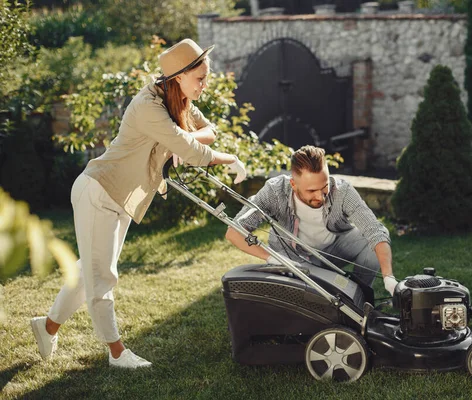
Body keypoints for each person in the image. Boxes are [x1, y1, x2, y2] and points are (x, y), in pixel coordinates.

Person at [31, 39, 247, 369]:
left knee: (87, 272)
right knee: (102, 276)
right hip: (99, 191)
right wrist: (222, 156)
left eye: (207, 77)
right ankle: (116, 352)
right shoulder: (149, 106)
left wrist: (180, 137)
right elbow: (195, 152)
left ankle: (46, 327)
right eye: (201, 79)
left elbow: (209, 132)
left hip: (122, 197)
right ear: (179, 77)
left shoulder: (178, 102)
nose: (206, 84)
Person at [225, 145, 398, 295]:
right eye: (312, 191)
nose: (320, 197)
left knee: (372, 239)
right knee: (320, 297)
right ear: (293, 184)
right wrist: (271, 258)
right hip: (297, 260)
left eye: (324, 187)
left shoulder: (343, 191)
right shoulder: (274, 192)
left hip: (336, 249)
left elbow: (374, 230)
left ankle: (360, 296)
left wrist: (388, 276)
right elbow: (234, 232)